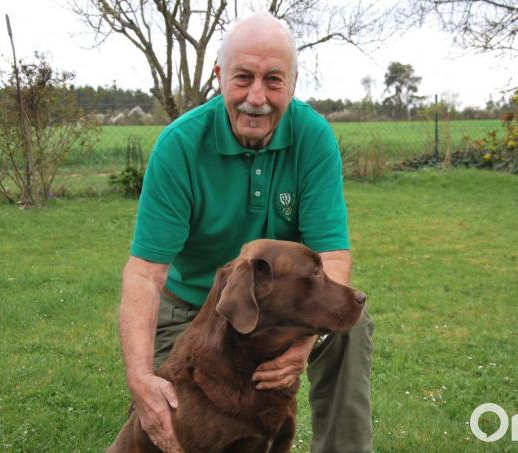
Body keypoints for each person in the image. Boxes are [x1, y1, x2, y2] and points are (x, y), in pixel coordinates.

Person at [119, 11, 374, 453]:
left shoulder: (312, 138)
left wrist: (304, 342)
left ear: (293, 84)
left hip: (280, 306)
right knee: (169, 430)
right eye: (243, 78)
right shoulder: (179, 145)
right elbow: (145, 274)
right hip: (191, 311)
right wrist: (141, 381)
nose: (256, 97)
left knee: (350, 325)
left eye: (273, 80)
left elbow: (332, 256)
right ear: (219, 76)